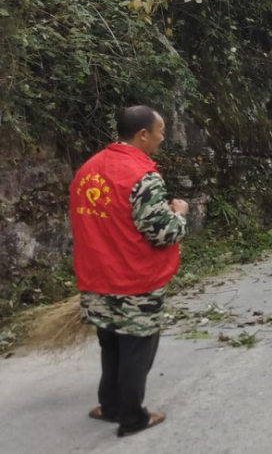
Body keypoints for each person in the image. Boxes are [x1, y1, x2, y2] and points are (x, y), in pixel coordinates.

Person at [71, 106, 189, 437]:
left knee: (110, 342)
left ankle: (109, 406)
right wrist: (179, 213)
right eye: (160, 132)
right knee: (138, 344)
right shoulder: (142, 176)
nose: (162, 138)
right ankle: (132, 416)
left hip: (97, 277)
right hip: (134, 279)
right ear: (142, 134)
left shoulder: (88, 170)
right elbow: (164, 232)